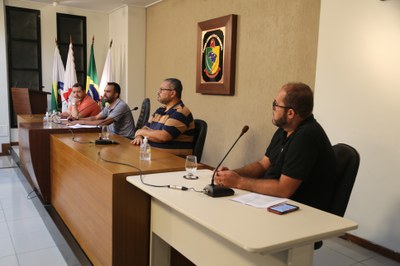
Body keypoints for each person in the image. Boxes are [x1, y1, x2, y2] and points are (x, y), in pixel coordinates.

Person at [215, 82, 336, 211]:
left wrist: (239, 182)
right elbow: (262, 165)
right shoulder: (285, 130)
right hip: (272, 202)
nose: (273, 108)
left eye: (276, 105)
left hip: (300, 212)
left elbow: (284, 189)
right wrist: (232, 174)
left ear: (290, 113)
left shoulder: (306, 137)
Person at [131, 78, 195, 156]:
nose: (158, 92)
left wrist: (140, 132)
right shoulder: (160, 110)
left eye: (162, 89)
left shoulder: (180, 112)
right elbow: (146, 128)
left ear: (172, 93)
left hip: (172, 160)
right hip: (152, 155)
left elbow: (164, 136)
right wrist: (139, 136)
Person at [69, 82, 135, 139]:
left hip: (125, 139)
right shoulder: (109, 105)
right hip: (114, 137)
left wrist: (81, 122)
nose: (104, 94)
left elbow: (104, 123)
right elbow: (95, 117)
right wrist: (77, 120)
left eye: (108, 92)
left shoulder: (121, 106)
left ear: (116, 94)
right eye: (104, 91)